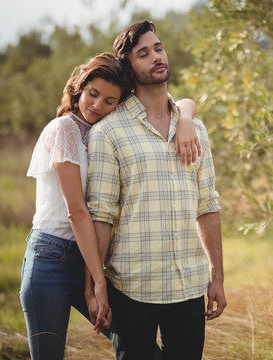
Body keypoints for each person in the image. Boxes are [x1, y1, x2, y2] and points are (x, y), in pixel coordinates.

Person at [20, 52, 199, 360]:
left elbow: (179, 101)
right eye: (93, 94)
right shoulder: (65, 129)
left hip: (88, 256)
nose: (97, 106)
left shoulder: (108, 130)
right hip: (52, 258)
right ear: (79, 85)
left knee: (139, 347)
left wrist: (184, 119)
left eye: (109, 101)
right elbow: (77, 212)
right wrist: (98, 281)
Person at [86, 20, 227, 359]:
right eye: (143, 53)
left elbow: (207, 206)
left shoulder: (195, 130)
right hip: (133, 287)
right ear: (128, 66)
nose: (156, 57)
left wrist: (217, 277)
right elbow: (100, 216)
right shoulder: (109, 133)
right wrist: (94, 286)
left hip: (189, 286)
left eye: (159, 48)